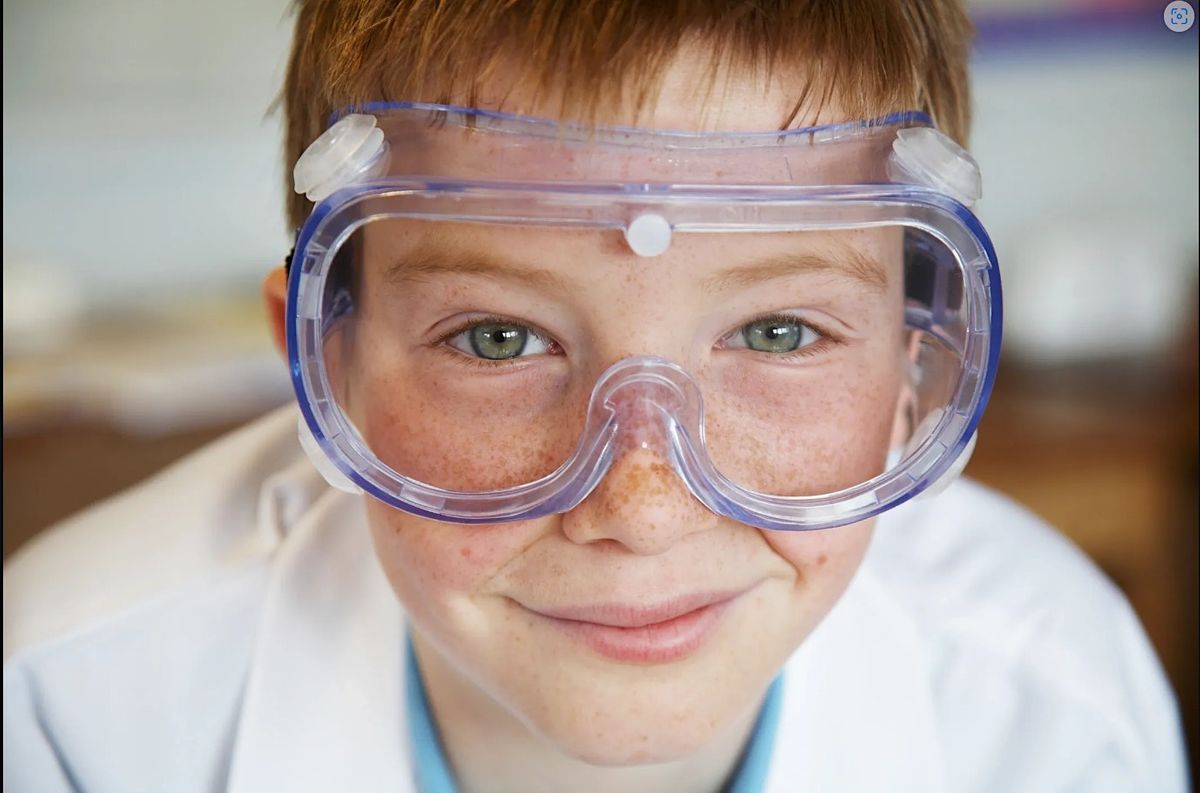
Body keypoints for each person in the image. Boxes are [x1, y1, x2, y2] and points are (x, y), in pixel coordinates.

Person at [3, 2, 1189, 791]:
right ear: (325, 367)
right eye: (498, 335)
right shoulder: (72, 715)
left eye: (779, 331)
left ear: (914, 378)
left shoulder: (1052, 722)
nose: (644, 505)